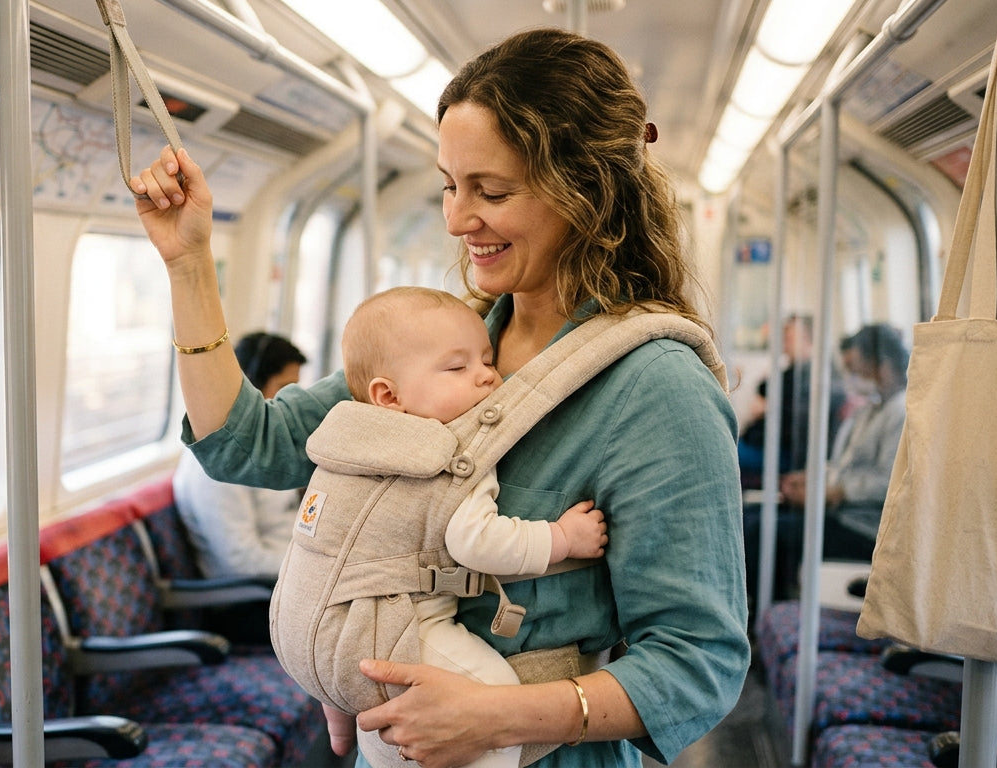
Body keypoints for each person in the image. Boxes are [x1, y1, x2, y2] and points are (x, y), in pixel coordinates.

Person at [130, 26, 748, 768]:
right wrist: (189, 262)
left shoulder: (657, 388)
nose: (457, 219)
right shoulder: (444, 346)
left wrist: (492, 717)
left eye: (491, 191)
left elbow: (698, 661)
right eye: (449, 186)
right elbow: (245, 444)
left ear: (585, 189)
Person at [283, 285, 609, 768]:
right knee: (490, 703)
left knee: (378, 715)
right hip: (381, 629)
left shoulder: (344, 441)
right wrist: (562, 538)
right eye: (458, 368)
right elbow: (477, 541)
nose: (487, 378)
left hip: (299, 622)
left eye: (486, 359)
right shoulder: (450, 456)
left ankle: (350, 712)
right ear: (388, 395)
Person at [744, 323, 910, 612]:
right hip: (839, 513)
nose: (851, 377)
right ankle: (763, 609)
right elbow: (844, 466)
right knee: (749, 518)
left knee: (764, 532)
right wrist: (812, 479)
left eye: (855, 368)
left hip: (861, 526)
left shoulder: (901, 413)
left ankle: (768, 612)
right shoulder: (870, 410)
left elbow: (889, 482)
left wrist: (836, 492)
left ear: (881, 365)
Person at [173, 331, 307, 581]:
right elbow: (241, 561)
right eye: (284, 388)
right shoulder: (215, 463)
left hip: (291, 569)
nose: (292, 401)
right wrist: (315, 572)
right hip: (252, 595)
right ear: (252, 384)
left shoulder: (260, 442)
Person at [737, 314, 847, 486]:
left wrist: (768, 409)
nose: (784, 343)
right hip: (766, 444)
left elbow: (796, 423)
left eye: (789, 337)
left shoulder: (815, 377)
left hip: (787, 453)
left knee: (722, 453)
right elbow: (765, 389)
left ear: (808, 339)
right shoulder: (793, 372)